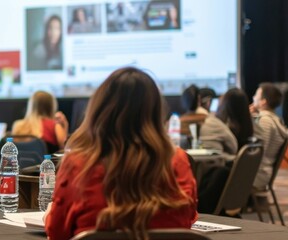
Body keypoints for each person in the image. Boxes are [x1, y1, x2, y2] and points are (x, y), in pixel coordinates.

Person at [44, 67, 197, 239]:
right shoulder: (177, 160)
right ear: (155, 112)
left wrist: (50, 213)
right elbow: (187, 221)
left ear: (99, 109)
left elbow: (57, 234)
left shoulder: (78, 164)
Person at [250, 83, 288, 190]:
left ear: (263, 102)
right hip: (263, 171)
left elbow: (258, 152)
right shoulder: (274, 118)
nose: (253, 97)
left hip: (258, 174)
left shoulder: (265, 121)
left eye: (256, 95)